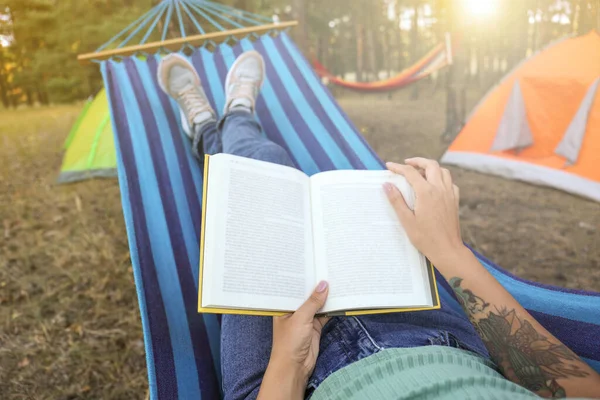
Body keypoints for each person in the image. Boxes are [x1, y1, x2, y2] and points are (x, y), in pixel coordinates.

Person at [157, 51, 600, 400]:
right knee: (366, 200)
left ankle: (220, 122)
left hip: (297, 377)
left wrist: (289, 365)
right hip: (440, 338)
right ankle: (225, 120)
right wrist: (449, 250)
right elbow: (577, 388)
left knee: (259, 183)